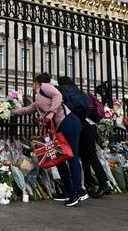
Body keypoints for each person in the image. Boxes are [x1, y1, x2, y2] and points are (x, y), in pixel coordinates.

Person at [12, 73, 84, 207]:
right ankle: (68, 191)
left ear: (36, 82)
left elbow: (58, 96)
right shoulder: (39, 98)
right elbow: (28, 109)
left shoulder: (46, 87)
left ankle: (77, 193)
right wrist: (10, 111)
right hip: (61, 127)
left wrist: (51, 112)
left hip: (69, 122)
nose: (33, 86)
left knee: (72, 157)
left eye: (33, 83)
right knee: (59, 159)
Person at [57, 77, 111, 198]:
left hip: (82, 127)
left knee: (90, 156)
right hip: (87, 125)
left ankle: (104, 183)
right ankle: (89, 184)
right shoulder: (79, 92)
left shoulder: (63, 91)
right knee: (85, 156)